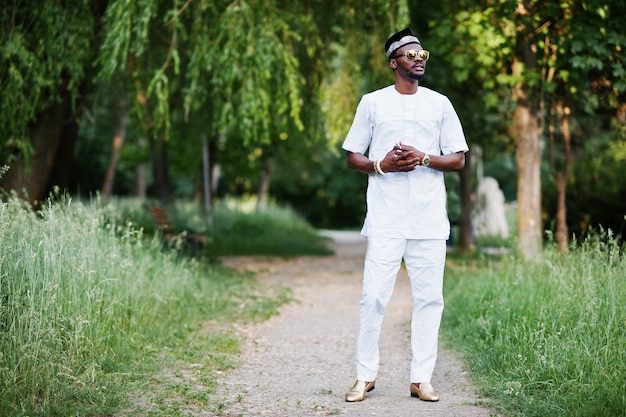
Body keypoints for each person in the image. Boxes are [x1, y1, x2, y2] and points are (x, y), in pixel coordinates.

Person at [342, 28, 469, 403]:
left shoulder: (440, 104)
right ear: (394, 61)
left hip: (429, 220)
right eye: (411, 54)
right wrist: (382, 165)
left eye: (423, 55)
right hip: (386, 217)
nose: (419, 59)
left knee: (430, 299)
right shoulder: (372, 102)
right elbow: (353, 156)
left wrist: (424, 157)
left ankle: (421, 379)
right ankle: (365, 377)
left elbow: (458, 158)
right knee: (373, 297)